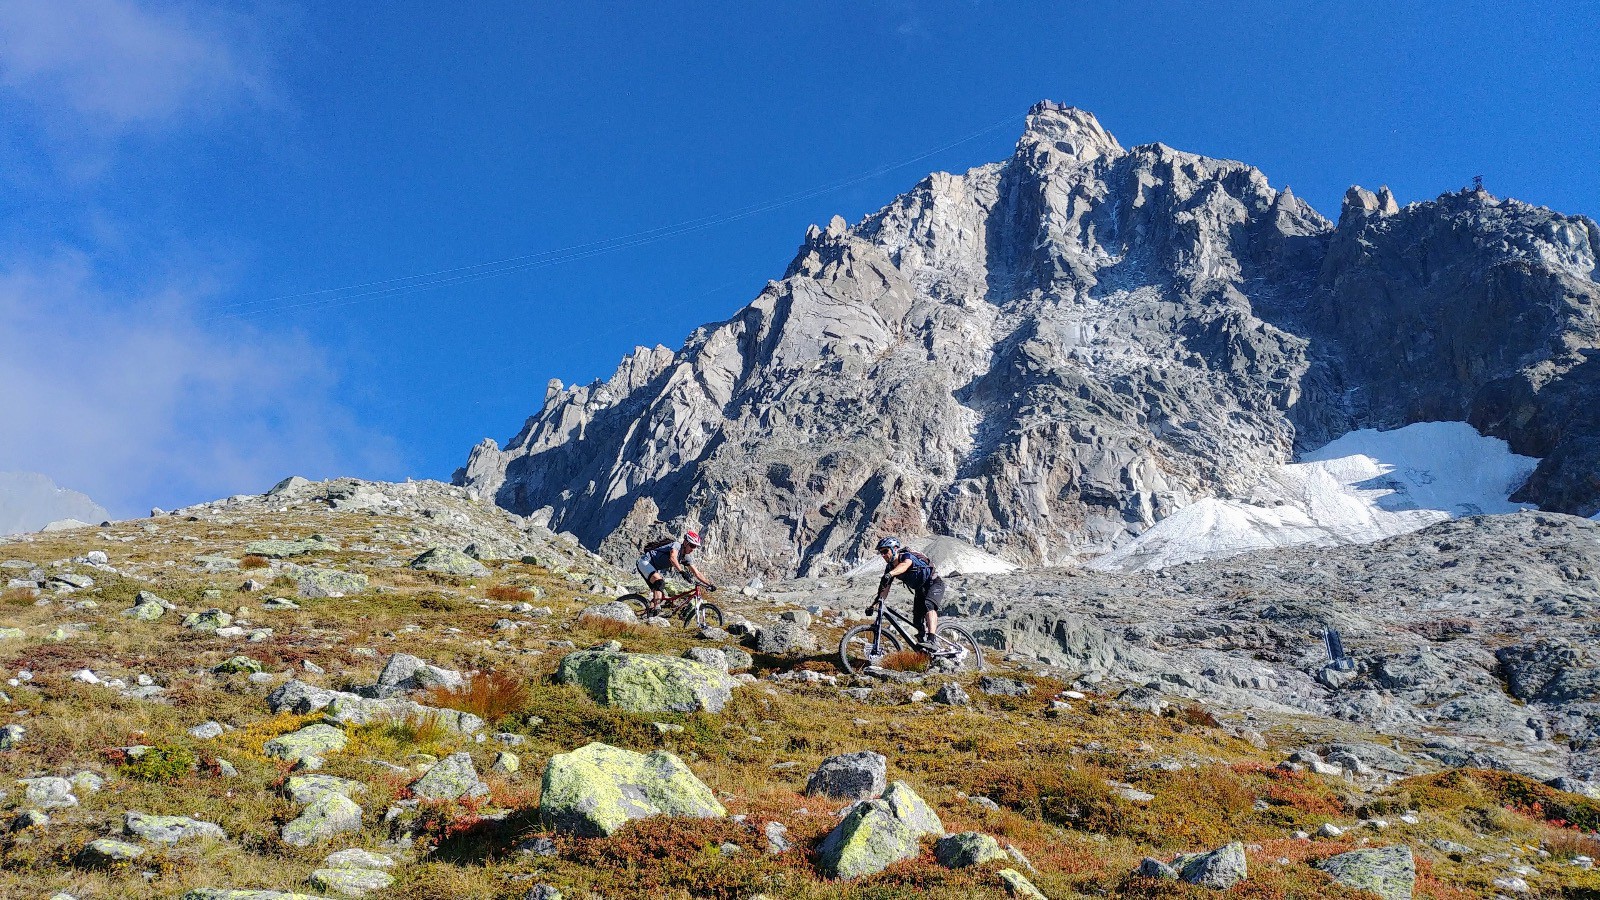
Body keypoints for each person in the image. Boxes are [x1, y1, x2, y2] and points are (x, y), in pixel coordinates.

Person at [867, 536, 943, 650]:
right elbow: (884, 589)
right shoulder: (889, 568)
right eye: (881, 553)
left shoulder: (905, 555)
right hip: (920, 589)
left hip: (933, 583)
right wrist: (875, 604)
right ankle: (924, 648)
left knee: (929, 605)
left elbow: (905, 565)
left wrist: (891, 574)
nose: (883, 555)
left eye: (885, 551)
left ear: (895, 549)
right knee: (917, 621)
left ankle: (932, 641)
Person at [636, 530, 713, 611]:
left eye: (695, 546)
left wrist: (709, 584)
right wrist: (682, 572)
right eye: (692, 545)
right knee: (660, 582)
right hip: (644, 562)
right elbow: (673, 558)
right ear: (686, 543)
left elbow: (697, 573)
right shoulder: (676, 545)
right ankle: (656, 609)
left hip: (653, 568)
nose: (693, 549)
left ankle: (650, 614)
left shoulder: (685, 557)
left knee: (661, 594)